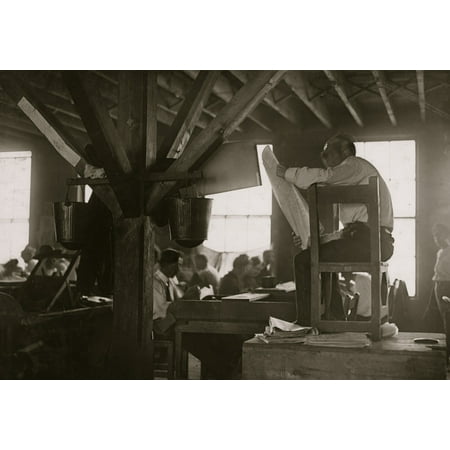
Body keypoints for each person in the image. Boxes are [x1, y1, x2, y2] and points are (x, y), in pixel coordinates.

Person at [275, 134, 395, 324]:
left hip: (372, 242)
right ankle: (335, 317)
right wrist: (313, 239)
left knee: (303, 260)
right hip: (370, 241)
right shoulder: (352, 177)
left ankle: (306, 322)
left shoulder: (354, 164)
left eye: (329, 150)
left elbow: (326, 177)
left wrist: (287, 173)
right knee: (318, 253)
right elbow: (349, 232)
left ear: (346, 151)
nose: (324, 156)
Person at [153, 248, 182, 336]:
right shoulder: (155, 282)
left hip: (166, 321)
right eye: (177, 265)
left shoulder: (169, 281)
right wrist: (183, 300)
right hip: (158, 325)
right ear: (167, 264)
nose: (178, 269)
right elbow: (160, 311)